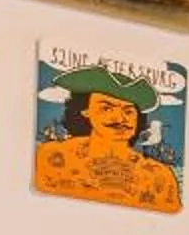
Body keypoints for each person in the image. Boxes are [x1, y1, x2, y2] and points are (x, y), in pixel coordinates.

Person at [34, 64, 179, 212]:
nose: (120, 118)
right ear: (85, 111)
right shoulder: (51, 157)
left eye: (128, 111)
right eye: (106, 108)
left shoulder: (159, 177)